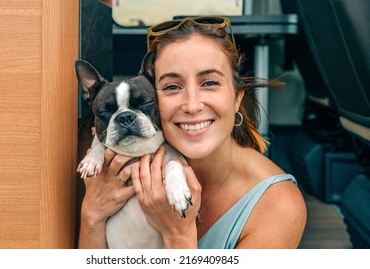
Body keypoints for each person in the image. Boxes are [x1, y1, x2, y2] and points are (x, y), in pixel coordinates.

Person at [78, 16, 307, 249]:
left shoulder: (277, 205)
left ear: (237, 98)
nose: (192, 104)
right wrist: (91, 213)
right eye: (172, 87)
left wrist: (179, 235)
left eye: (209, 83)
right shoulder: (111, 165)